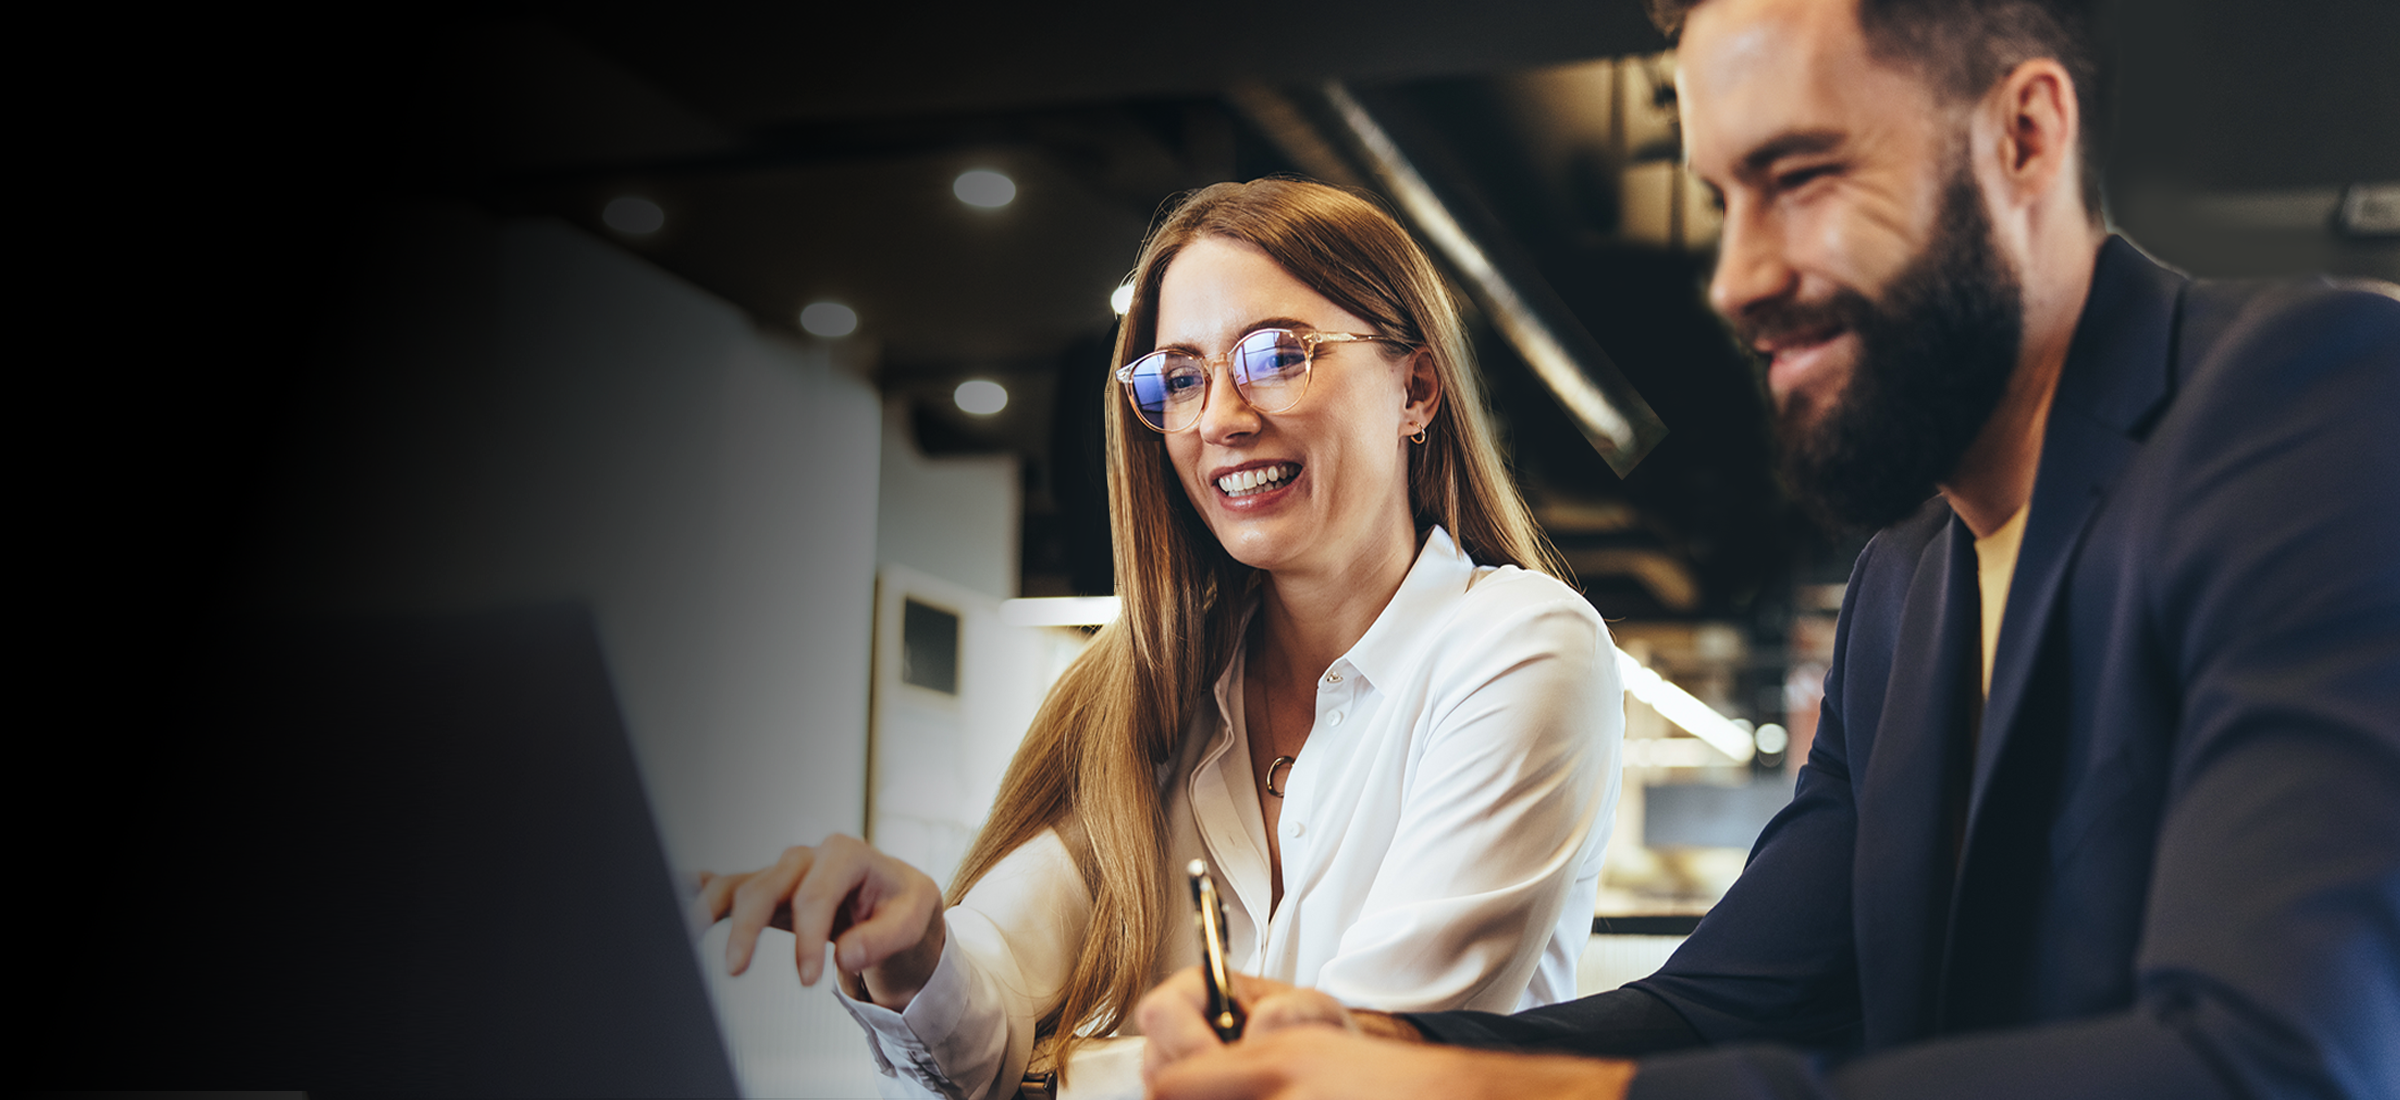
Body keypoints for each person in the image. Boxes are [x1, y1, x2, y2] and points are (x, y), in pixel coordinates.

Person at [1136, 1, 2400, 1097]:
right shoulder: (1906, 574)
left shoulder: (2306, 404)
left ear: (2025, 134)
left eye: (1799, 177)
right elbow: (1729, 1003)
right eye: (1722, 200)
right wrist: (1376, 1041)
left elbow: (2273, 1061)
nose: (1736, 276)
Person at [700, 178, 1627, 1099]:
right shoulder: (1154, 689)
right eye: (1179, 377)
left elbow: (1343, 1079)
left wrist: (1072, 1076)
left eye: (1276, 355)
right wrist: (916, 950)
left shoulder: (1521, 647)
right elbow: (987, 1007)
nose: (1219, 417)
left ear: (1415, 389)